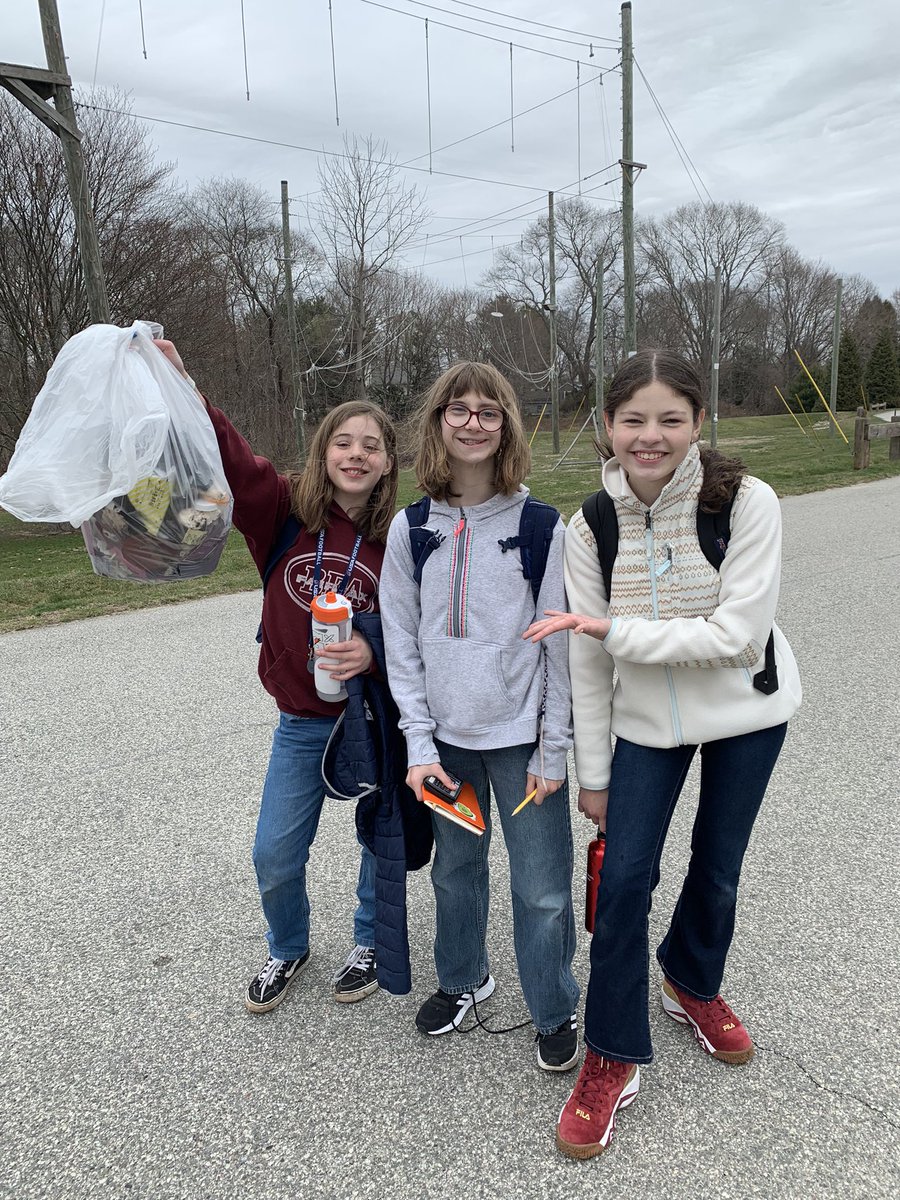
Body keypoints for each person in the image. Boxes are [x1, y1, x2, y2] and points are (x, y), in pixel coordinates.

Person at [525, 348, 802, 1157]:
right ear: (606, 426)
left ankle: (692, 978)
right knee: (624, 885)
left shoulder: (747, 502)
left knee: (718, 865)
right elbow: (582, 660)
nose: (651, 437)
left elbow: (737, 635)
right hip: (644, 725)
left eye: (670, 420)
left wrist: (617, 630)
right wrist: (596, 775)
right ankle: (612, 1054)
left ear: (697, 423)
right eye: (633, 420)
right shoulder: (590, 525)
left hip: (747, 711)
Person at [153, 338, 399, 1013]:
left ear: (387, 463)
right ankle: (288, 944)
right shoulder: (284, 513)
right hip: (301, 722)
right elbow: (233, 460)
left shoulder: (398, 537)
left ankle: (370, 941)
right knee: (275, 852)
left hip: (373, 721)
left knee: (381, 843)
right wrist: (186, 386)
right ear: (324, 453)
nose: (356, 454)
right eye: (343, 442)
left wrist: (374, 656)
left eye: (371, 445)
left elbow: (416, 634)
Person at [379, 361, 580, 1071]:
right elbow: (401, 643)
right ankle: (465, 978)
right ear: (437, 422)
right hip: (446, 753)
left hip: (522, 748)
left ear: (507, 426)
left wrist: (553, 750)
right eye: (458, 410)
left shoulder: (539, 526)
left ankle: (554, 1004)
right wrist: (418, 744)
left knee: (543, 889)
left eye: (488, 411)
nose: (472, 422)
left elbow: (558, 646)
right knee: (456, 872)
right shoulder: (411, 529)